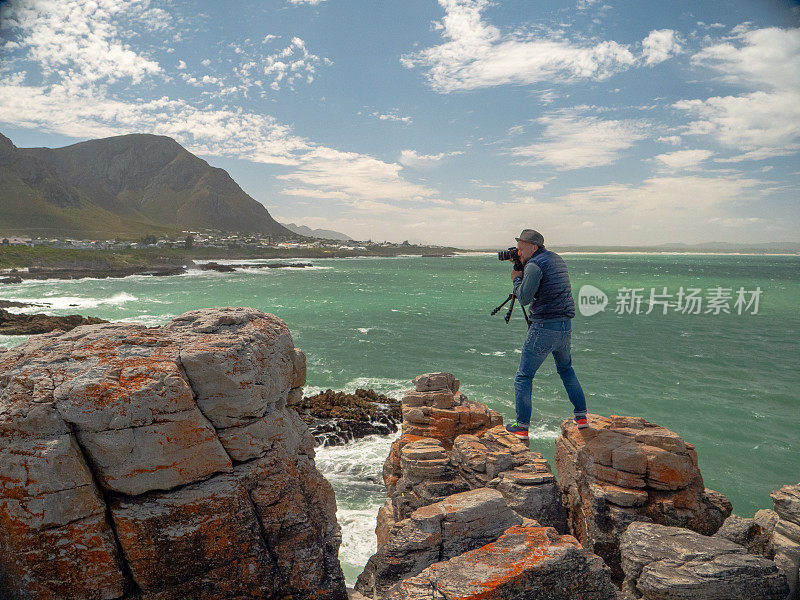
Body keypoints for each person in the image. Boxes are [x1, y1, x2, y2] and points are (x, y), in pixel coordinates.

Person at [504, 229, 588, 440]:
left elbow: (523, 298)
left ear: (534, 247)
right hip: (565, 327)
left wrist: (516, 279)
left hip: (544, 328)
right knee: (566, 370)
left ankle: (522, 426)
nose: (519, 253)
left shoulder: (534, 266)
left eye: (521, 249)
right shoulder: (556, 259)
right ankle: (582, 417)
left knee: (524, 377)